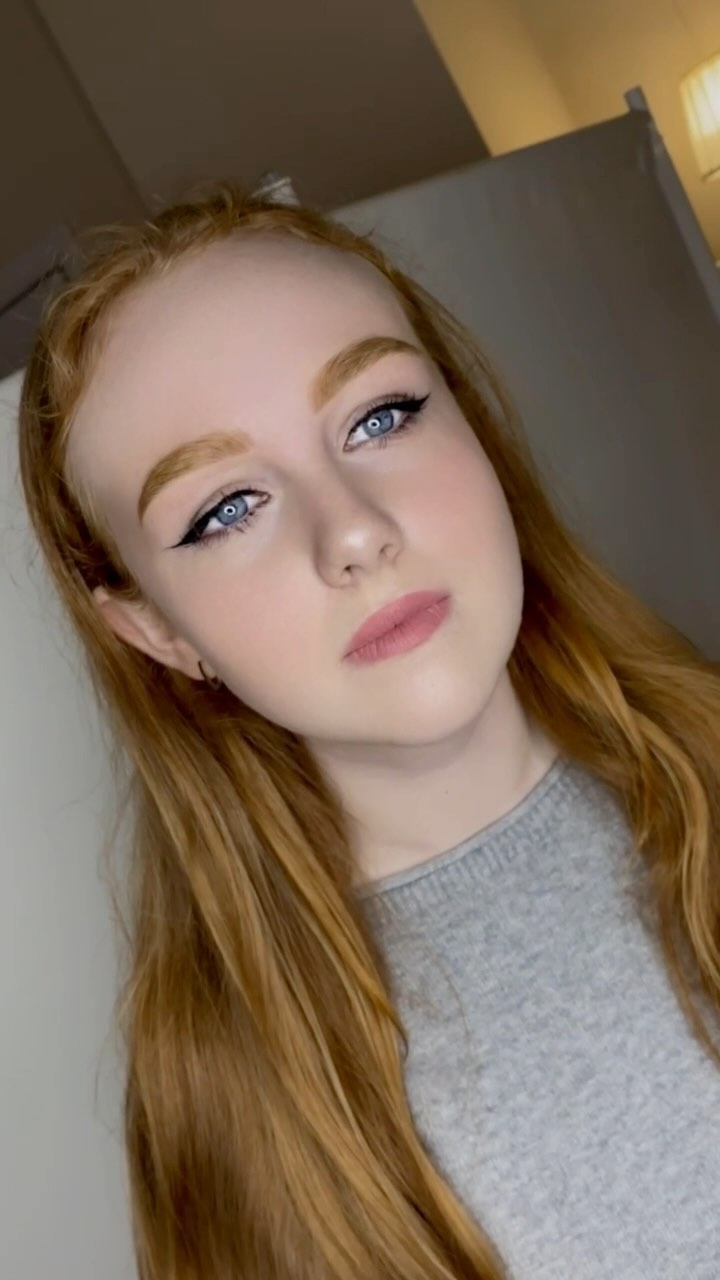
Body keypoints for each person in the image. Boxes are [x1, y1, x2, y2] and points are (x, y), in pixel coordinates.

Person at [17, 185, 720, 1280]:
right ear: (158, 632)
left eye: (380, 416)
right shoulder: (230, 1095)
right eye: (225, 509)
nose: (351, 530)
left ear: (472, 424)